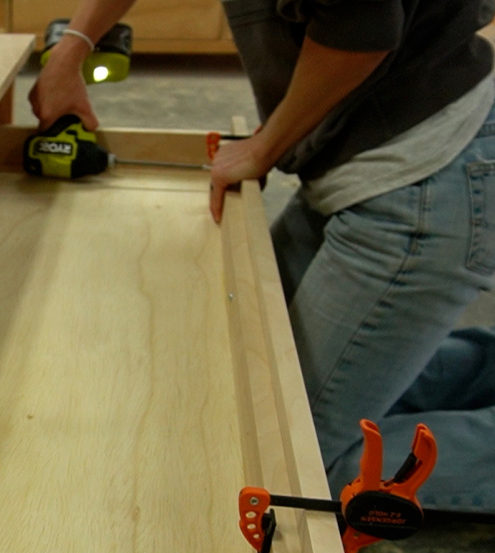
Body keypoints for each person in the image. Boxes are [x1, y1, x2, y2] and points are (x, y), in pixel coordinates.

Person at [31, 0, 495, 511]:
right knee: (266, 373)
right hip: (361, 149)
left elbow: (360, 27)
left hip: (420, 170)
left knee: (296, 469)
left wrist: (263, 148)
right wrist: (73, 47)